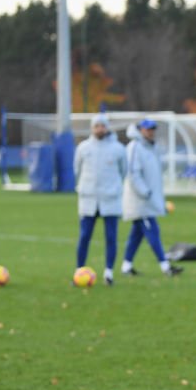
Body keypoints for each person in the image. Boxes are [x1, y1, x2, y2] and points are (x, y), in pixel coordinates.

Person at [121, 119, 182, 277]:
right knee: (153, 230)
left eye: (152, 129)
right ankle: (165, 266)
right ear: (140, 130)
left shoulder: (151, 148)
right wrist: (145, 192)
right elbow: (133, 174)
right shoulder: (135, 147)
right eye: (147, 129)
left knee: (137, 234)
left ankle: (126, 266)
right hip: (140, 201)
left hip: (149, 200)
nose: (150, 132)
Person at [74, 112, 126, 286]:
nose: (100, 129)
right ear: (92, 128)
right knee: (84, 236)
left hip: (110, 198)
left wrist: (113, 187)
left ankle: (109, 272)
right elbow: (77, 169)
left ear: (107, 128)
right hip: (88, 199)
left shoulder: (118, 149)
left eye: (103, 126)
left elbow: (123, 171)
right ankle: (79, 271)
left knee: (111, 237)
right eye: (97, 126)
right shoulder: (83, 148)